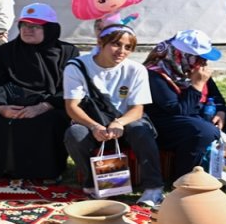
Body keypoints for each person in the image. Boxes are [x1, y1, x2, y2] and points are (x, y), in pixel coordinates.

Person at [62, 24, 165, 207]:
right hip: (92, 122)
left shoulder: (135, 69)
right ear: (100, 42)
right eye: (116, 44)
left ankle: (153, 187)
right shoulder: (77, 66)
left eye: (128, 47)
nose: (122, 51)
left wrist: (119, 123)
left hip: (124, 123)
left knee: (140, 129)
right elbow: (72, 107)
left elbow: (137, 109)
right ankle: (92, 184)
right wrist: (94, 126)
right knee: (75, 134)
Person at [0, 2, 79, 181]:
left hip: (51, 104)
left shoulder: (67, 51)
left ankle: (46, 174)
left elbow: (71, 87)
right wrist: (1, 107)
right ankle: (5, 171)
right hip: (13, 103)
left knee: (47, 121)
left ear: (49, 29)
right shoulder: (6, 51)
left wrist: (45, 106)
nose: (28, 30)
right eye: (24, 25)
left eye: (35, 26)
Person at [143, 29, 226, 181]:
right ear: (184, 56)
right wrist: (196, 85)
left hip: (199, 115)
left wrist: (221, 112)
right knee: (203, 131)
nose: (204, 63)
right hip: (167, 125)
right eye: (200, 58)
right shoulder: (156, 74)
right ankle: (184, 179)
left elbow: (216, 97)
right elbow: (179, 110)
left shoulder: (191, 70)